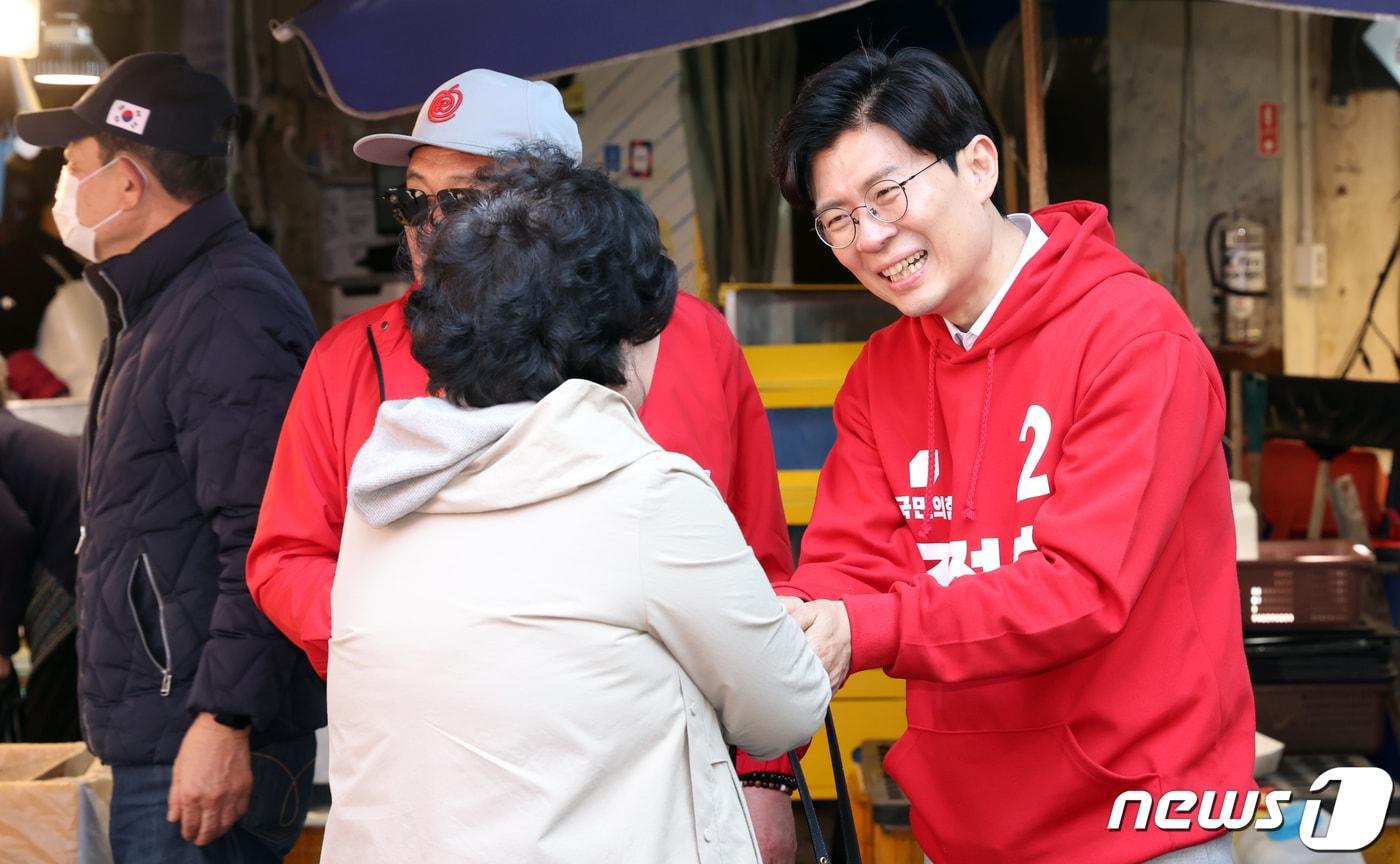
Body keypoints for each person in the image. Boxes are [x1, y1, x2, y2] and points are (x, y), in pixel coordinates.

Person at [246, 68, 802, 858]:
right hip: (434, 786)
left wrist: (765, 778)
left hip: (651, 787)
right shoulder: (348, 360)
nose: (429, 225)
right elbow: (284, 557)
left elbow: (760, 576)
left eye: (466, 200)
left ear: (557, 214)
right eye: (413, 198)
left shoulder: (688, 339)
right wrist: (438, 634)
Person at [768, 47, 1255, 864]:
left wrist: (866, 627)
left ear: (979, 164)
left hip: (1143, 831)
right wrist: (789, 616)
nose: (873, 236)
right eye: (839, 219)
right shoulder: (881, 375)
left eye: (887, 192)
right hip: (960, 836)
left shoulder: (1135, 337)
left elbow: (1083, 588)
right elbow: (843, 568)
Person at [14, 52, 325, 862]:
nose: (62, 190)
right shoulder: (159, 298)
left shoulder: (225, 306)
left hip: (205, 739)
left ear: (126, 184)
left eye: (73, 167)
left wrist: (224, 719)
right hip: (167, 726)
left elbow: (264, 536)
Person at [0, 355, 80, 743]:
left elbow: (9, 535)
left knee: (51, 737)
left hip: (71, 577)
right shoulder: (12, 433)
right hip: (92, 566)